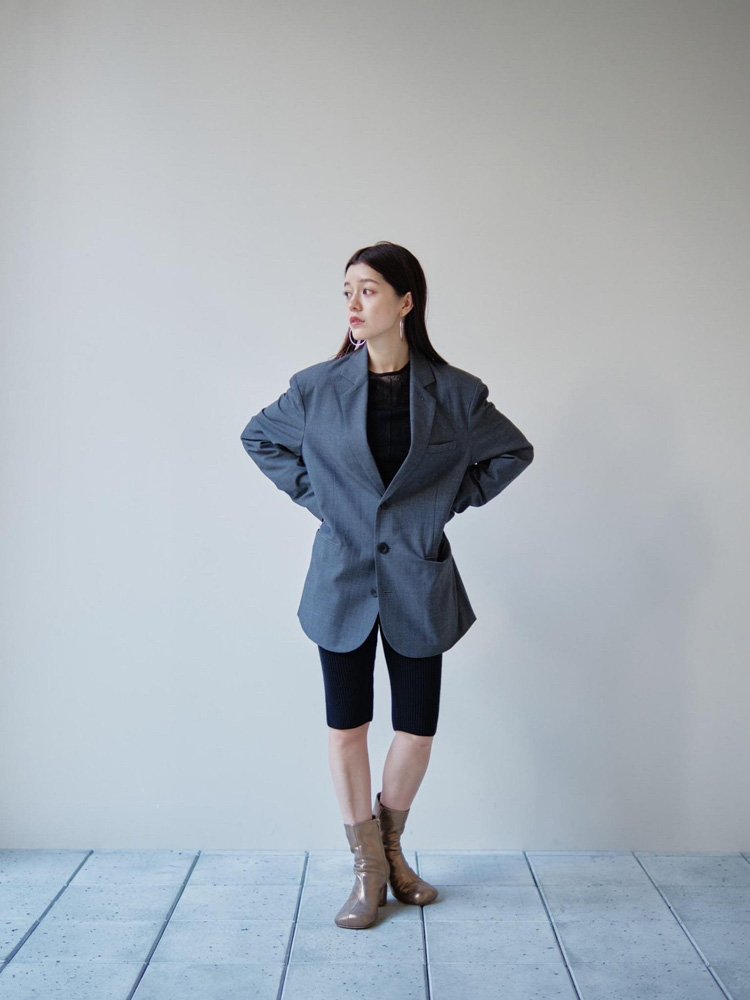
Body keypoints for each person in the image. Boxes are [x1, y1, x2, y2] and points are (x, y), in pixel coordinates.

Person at [240, 241, 533, 930]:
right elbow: (260, 438)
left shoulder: (455, 393)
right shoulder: (315, 388)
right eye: (347, 290)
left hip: (417, 580)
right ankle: (370, 870)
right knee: (348, 728)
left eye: (367, 289)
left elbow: (511, 451)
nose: (352, 303)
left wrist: (445, 502)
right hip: (341, 580)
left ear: (405, 302)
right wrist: (323, 500)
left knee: (416, 731)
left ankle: (391, 848)